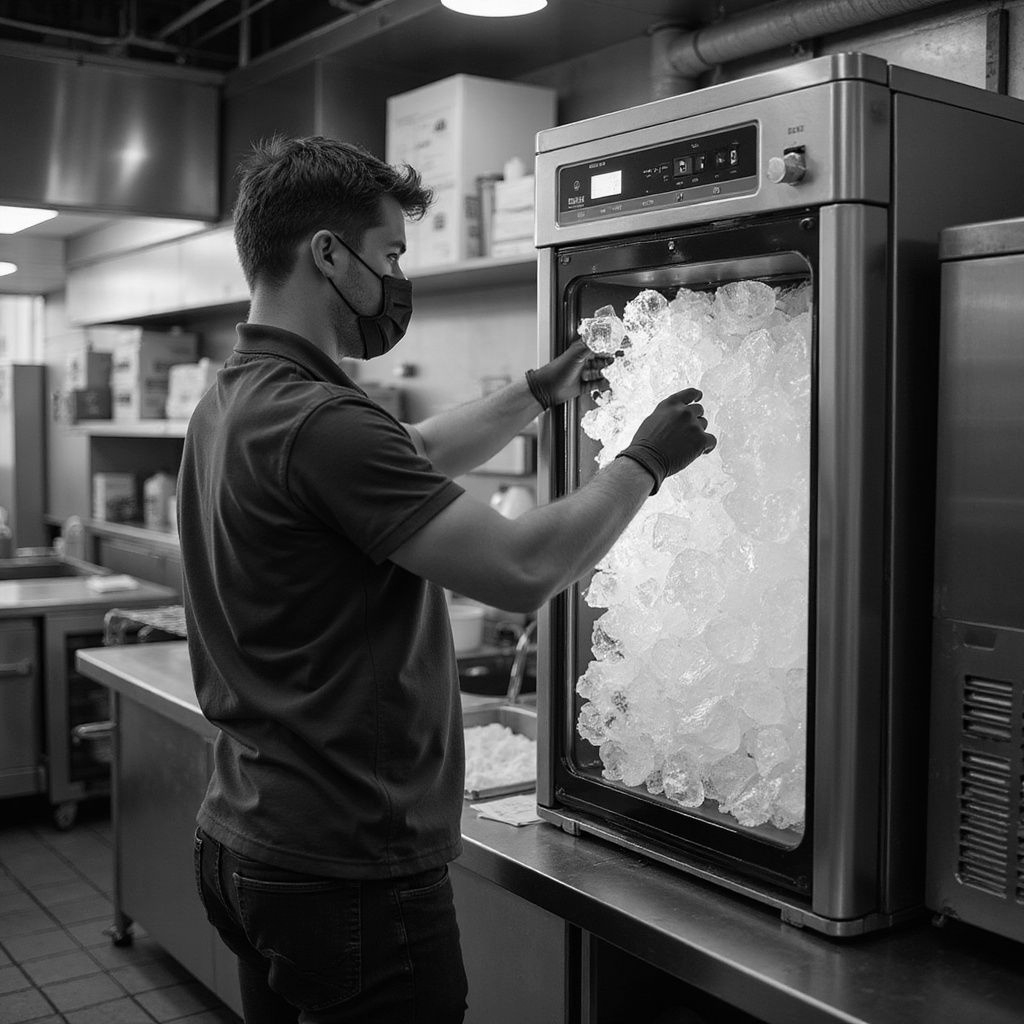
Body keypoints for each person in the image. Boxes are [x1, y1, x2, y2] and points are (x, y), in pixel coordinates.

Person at [179, 135, 716, 1024]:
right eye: (388, 254)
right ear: (326, 253)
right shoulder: (322, 420)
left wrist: (533, 397)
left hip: (247, 842)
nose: (394, 280)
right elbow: (521, 568)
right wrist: (645, 464)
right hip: (345, 871)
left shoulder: (237, 398)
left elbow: (408, 455)